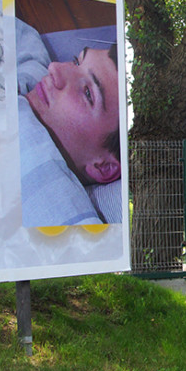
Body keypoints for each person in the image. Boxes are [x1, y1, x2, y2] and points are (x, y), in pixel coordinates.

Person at [16, 18, 122, 225]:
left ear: (105, 167)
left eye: (88, 93)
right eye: (76, 61)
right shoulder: (27, 72)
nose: (55, 68)